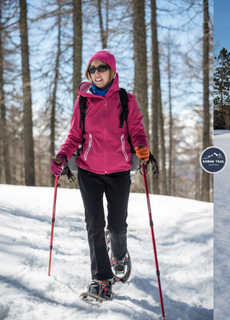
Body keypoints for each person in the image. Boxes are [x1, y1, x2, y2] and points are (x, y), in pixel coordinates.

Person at [50, 49, 150, 300]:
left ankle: (119, 254)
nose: (96, 73)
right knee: (94, 225)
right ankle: (102, 279)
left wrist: (141, 146)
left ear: (112, 71)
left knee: (117, 226)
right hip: (88, 172)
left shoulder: (126, 99)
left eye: (101, 68)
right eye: (92, 69)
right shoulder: (83, 101)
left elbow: (136, 129)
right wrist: (62, 156)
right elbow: (74, 136)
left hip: (118, 172)